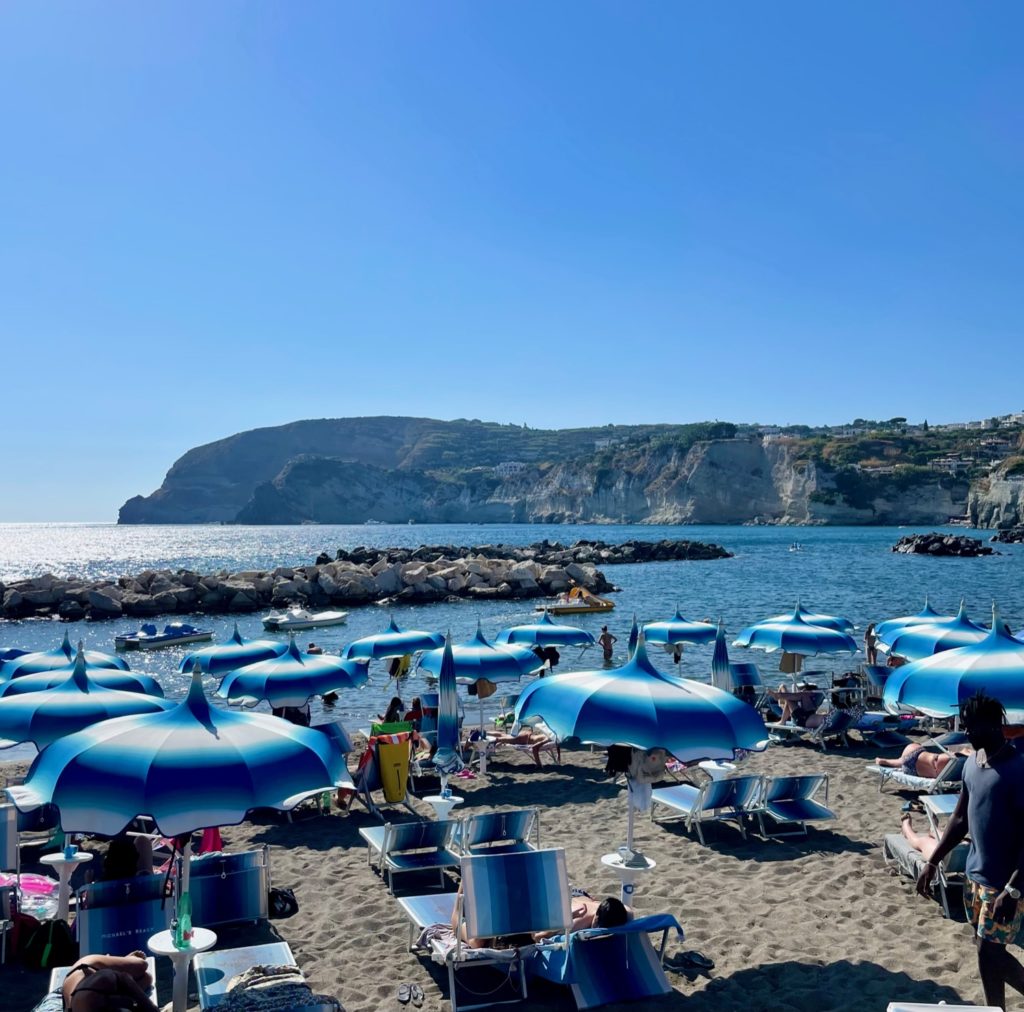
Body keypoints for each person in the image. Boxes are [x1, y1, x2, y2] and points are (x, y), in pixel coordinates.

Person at [917, 691, 1024, 1010]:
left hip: (1005, 883)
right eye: (964, 725)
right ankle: (996, 1009)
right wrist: (932, 861)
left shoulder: (1018, 771)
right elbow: (960, 819)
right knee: (984, 948)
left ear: (993, 725)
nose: (966, 732)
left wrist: (1014, 889)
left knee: (988, 952)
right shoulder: (970, 765)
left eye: (971, 726)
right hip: (974, 877)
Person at [61, 952, 158, 1012]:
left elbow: (125, 978)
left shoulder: (96, 987)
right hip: (86, 995)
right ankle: (117, 965)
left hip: (88, 966)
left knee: (142, 965)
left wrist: (150, 1007)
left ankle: (126, 960)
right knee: (146, 978)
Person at [874, 743, 969, 779]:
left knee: (899, 762)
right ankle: (882, 761)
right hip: (918, 766)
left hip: (919, 762)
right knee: (899, 762)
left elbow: (965, 751)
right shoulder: (967, 763)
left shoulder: (962, 761)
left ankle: (882, 761)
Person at [491, 724, 558, 767]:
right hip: (525, 739)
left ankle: (486, 733)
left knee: (504, 736)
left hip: (527, 736)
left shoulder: (555, 737)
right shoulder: (550, 739)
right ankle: (490, 738)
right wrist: (539, 765)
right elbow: (535, 748)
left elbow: (558, 746)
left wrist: (559, 757)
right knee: (501, 738)